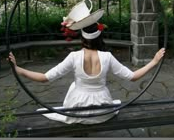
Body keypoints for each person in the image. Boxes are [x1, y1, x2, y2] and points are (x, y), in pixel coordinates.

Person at [9, 19, 165, 124]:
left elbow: (44, 78)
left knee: (73, 87)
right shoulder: (107, 57)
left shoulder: (74, 57)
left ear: (82, 37)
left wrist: (18, 69)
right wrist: (154, 61)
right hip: (102, 111)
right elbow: (133, 77)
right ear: (99, 36)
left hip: (77, 110)